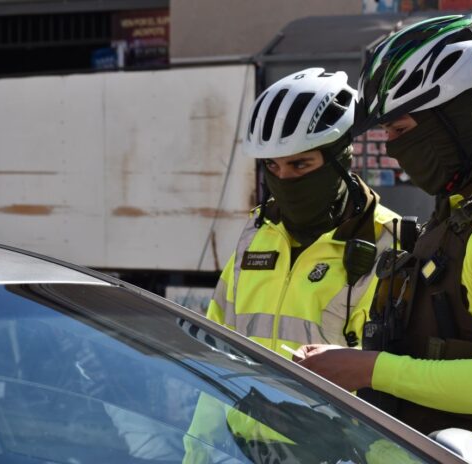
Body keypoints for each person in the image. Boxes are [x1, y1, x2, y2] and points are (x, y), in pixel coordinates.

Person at [297, 14, 472, 463]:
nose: (392, 148)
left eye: (401, 130)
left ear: (453, 118)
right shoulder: (461, 212)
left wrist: (367, 369)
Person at [183, 68, 399, 463]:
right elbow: (216, 353)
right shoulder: (256, 234)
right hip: (242, 453)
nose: (284, 179)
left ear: (340, 159)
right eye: (273, 167)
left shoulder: (389, 245)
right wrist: (196, 453)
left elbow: (391, 387)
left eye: (300, 166)